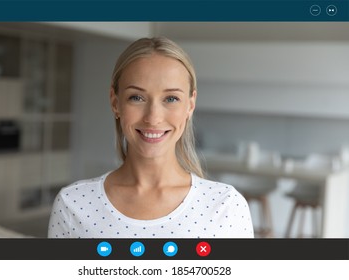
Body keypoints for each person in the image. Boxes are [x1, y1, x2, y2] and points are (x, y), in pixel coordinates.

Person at [48, 37, 253, 238]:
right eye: (136, 97)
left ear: (190, 105)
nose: (153, 118)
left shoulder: (226, 206)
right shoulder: (73, 205)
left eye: (171, 98)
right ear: (115, 102)